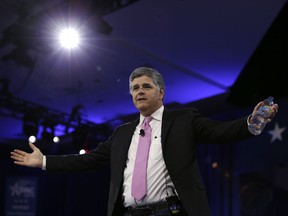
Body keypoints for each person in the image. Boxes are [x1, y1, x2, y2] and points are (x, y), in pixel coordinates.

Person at [11, 67, 279, 216]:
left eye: (146, 86)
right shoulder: (122, 133)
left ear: (161, 93)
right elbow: (87, 160)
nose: (139, 91)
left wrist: (251, 122)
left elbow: (222, 132)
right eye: (135, 88)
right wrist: (44, 161)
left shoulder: (184, 120)